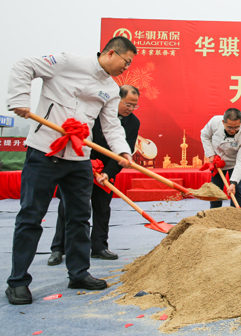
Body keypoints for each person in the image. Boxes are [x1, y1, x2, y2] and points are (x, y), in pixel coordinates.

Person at [5, 36, 136, 305]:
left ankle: (78, 273)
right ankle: (17, 281)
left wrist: (123, 151)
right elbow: (24, 65)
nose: (127, 68)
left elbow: (111, 126)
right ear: (112, 53)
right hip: (44, 152)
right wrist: (20, 99)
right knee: (31, 216)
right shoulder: (66, 62)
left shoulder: (111, 89)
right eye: (126, 62)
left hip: (79, 158)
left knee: (79, 218)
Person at [48, 85, 141, 266]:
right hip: (81, 164)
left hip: (106, 169)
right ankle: (58, 248)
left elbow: (124, 151)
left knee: (102, 208)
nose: (131, 109)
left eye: (134, 105)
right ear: (116, 100)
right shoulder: (95, 113)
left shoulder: (133, 123)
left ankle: (99, 247)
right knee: (67, 207)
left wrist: (107, 173)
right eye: (128, 104)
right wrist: (84, 163)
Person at [200, 108, 241, 208]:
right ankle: (214, 213)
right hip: (218, 161)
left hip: (234, 163)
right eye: (229, 127)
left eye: (236, 127)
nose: (232, 131)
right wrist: (211, 154)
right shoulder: (214, 122)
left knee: (236, 190)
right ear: (223, 122)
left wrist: (233, 183)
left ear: (240, 123)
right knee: (216, 190)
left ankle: (237, 214)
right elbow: (205, 135)